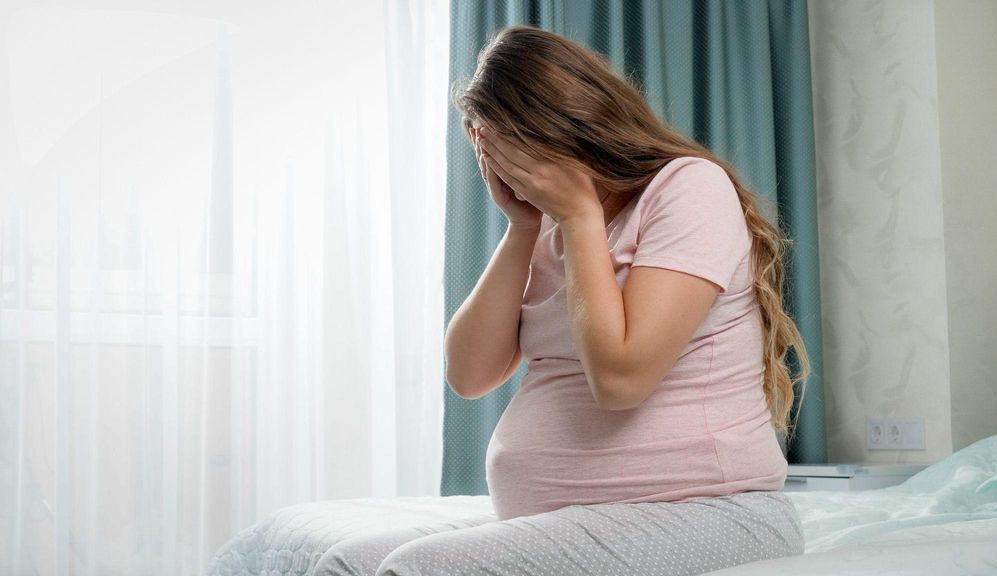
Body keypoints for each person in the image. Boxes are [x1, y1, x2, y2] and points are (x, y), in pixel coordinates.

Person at [314, 23, 810, 576]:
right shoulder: (552, 230)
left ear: (568, 126)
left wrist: (578, 218)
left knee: (414, 570)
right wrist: (521, 228)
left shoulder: (689, 188)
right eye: (496, 158)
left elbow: (621, 381)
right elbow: (469, 374)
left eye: (516, 156)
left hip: (708, 511)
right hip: (575, 518)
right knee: (345, 563)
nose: (512, 174)